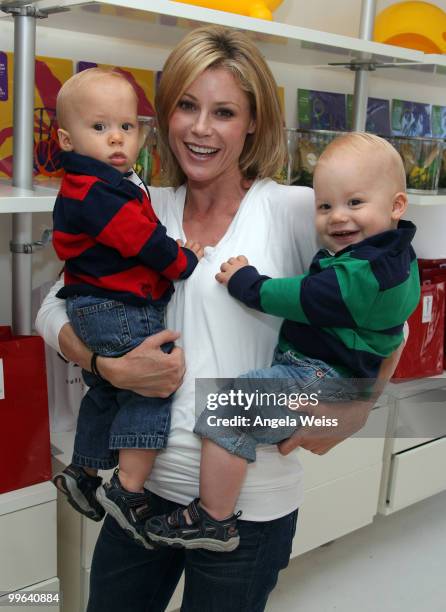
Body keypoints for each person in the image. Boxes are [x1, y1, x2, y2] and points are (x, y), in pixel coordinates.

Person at [36, 25, 403, 612]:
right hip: (140, 493)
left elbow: (388, 306)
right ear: (161, 116)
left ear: (253, 122)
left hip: (248, 512)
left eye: (224, 111)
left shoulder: (293, 209)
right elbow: (54, 305)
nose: (201, 128)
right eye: (186, 105)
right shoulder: (138, 203)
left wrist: (357, 409)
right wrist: (108, 365)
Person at [144, 132, 420, 551]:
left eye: (354, 203)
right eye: (325, 207)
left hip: (318, 379)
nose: (337, 217)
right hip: (153, 482)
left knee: (229, 407)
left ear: (396, 206)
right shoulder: (389, 254)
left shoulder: (364, 268)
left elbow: (302, 296)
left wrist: (246, 282)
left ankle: (214, 517)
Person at [50, 67, 203, 548]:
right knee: (151, 388)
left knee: (105, 392)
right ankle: (127, 491)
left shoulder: (111, 184)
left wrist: (103, 368)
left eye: (127, 126)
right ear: (66, 138)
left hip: (99, 306)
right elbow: (146, 243)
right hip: (117, 308)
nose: (116, 138)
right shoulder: (104, 189)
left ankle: (83, 471)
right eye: (100, 128)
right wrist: (184, 260)